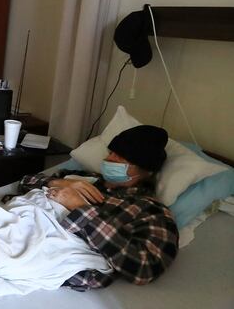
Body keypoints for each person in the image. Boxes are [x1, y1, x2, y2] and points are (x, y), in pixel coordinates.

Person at [17, 124, 179, 289]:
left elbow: (145, 269)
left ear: (147, 170)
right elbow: (24, 182)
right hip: (18, 221)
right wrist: (58, 182)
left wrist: (81, 208)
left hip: (43, 250)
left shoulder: (151, 210)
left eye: (121, 157)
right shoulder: (84, 178)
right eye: (111, 153)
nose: (109, 159)